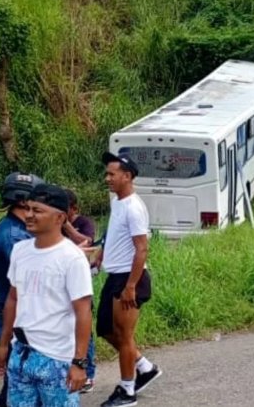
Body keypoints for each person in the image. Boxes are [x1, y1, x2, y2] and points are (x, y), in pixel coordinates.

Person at [0, 183, 93, 407]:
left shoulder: (72, 258)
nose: (29, 215)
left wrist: (79, 362)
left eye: (37, 211)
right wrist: (4, 344)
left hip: (57, 360)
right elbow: (13, 299)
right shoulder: (21, 251)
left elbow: (83, 311)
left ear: (59, 218)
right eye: (27, 209)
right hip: (21, 354)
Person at [96, 152, 161, 407]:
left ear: (127, 176)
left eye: (112, 174)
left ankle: (127, 392)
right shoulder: (118, 202)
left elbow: (141, 248)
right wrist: (102, 252)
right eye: (107, 174)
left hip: (129, 278)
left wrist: (131, 286)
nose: (107, 178)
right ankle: (145, 368)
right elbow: (114, 235)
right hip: (115, 275)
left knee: (124, 337)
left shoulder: (134, 207)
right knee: (105, 330)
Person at [0, 172, 43, 407]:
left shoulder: (21, 230)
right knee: (19, 383)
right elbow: (30, 280)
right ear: (23, 200)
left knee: (20, 382)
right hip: (17, 316)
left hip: (22, 314)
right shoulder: (13, 236)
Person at [62, 189, 98, 393]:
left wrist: (67, 226)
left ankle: (88, 373)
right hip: (62, 284)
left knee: (84, 330)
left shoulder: (84, 223)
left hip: (81, 282)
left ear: (74, 209)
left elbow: (87, 242)